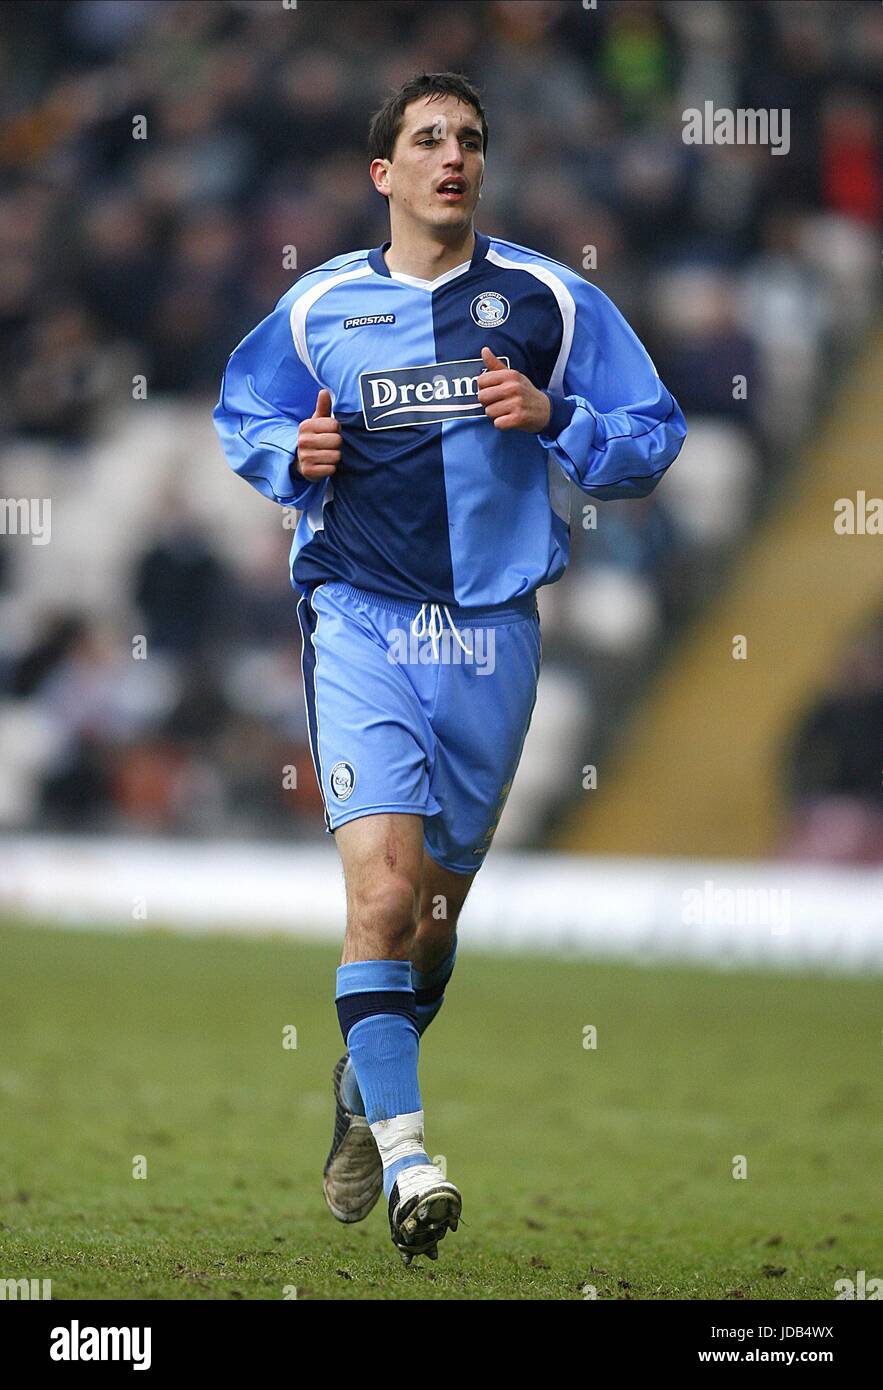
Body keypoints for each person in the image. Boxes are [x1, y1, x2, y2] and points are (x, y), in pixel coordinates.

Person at [213, 71, 686, 1265]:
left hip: (491, 638)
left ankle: (363, 1086)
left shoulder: (549, 299)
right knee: (377, 897)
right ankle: (415, 1157)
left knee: (426, 924)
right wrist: (293, 450)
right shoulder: (321, 305)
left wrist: (559, 420)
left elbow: (654, 433)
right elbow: (244, 413)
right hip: (361, 621)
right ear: (384, 173)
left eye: (469, 139)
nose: (451, 156)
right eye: (427, 140)